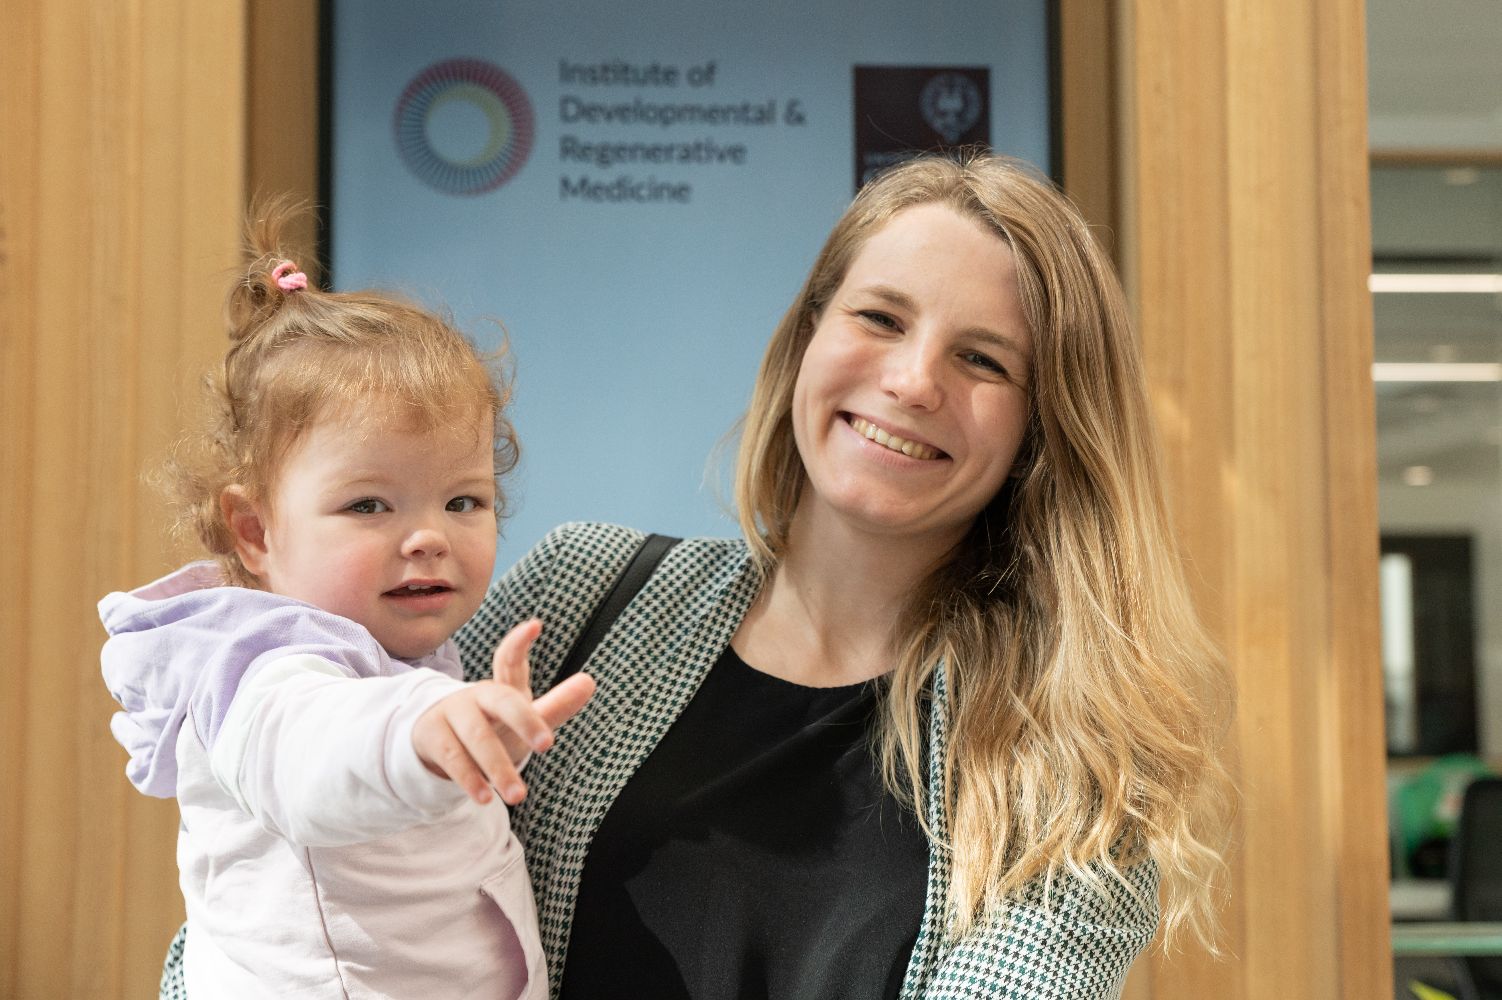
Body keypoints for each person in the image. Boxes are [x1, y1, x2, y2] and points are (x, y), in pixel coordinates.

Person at [155, 153, 1233, 999]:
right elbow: (283, 890)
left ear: (1045, 426)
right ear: (806, 339)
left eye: (982, 359)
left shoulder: (1075, 768)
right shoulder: (578, 596)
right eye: (879, 317)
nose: (912, 381)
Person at [101, 201, 594, 998]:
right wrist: (420, 733)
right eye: (369, 505)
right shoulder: (262, 666)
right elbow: (310, 754)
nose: (428, 536)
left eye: (463, 501)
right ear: (255, 531)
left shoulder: (396, 645)